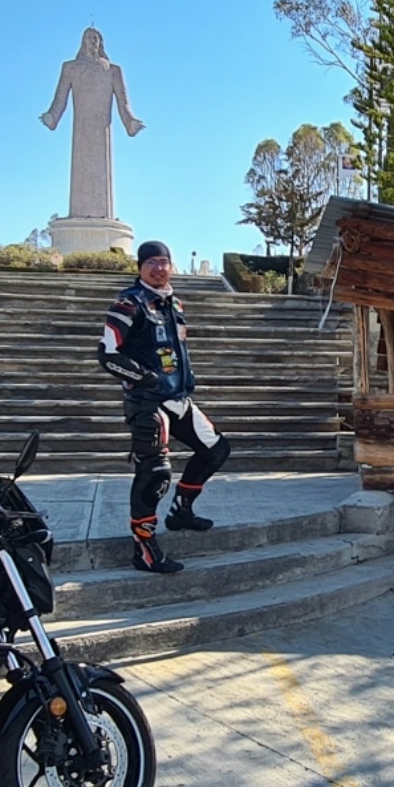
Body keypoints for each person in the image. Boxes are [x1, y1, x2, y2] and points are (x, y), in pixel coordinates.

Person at [97, 241, 231, 574]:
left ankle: (181, 511)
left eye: (164, 261)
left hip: (178, 398)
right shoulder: (129, 303)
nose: (159, 268)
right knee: (155, 471)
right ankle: (143, 549)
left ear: (171, 265)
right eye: (151, 262)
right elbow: (108, 354)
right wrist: (146, 379)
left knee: (216, 449)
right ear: (140, 267)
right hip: (147, 402)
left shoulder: (174, 303)